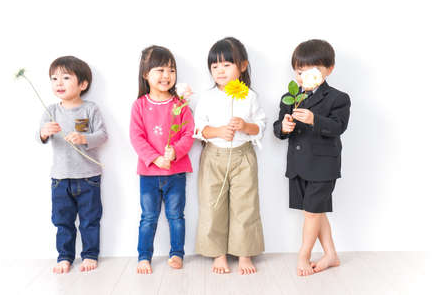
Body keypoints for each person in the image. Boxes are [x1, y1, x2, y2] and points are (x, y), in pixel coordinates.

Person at [273, 39, 351, 276]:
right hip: (298, 165)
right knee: (315, 211)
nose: (303, 75)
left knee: (312, 212)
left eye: (311, 71)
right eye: (299, 71)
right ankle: (331, 255)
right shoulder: (290, 96)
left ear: (330, 69)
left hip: (323, 166)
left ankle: (303, 255)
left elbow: (338, 126)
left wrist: (314, 120)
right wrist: (284, 127)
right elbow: (278, 129)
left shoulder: (338, 98)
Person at [194, 37, 266, 275]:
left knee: (245, 206)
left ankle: (244, 254)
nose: (220, 70)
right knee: (212, 205)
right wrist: (218, 131)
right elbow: (199, 128)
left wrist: (245, 126)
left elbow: (260, 126)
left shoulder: (250, 96)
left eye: (226, 65)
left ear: (242, 66)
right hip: (214, 156)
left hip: (243, 157)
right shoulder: (207, 97)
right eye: (215, 67)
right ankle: (218, 254)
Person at [39, 56, 107, 274]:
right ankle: (65, 256)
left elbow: (102, 135)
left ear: (83, 84)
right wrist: (44, 132)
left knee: (89, 220)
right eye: (54, 78)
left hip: (88, 176)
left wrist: (84, 138)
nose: (59, 83)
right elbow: (41, 135)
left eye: (66, 77)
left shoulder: (90, 109)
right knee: (62, 221)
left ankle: (89, 255)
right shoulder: (51, 110)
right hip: (60, 177)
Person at [130, 45, 194, 274]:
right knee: (148, 217)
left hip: (175, 174)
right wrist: (155, 158)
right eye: (160, 70)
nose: (167, 76)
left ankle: (177, 254)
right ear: (146, 74)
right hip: (148, 174)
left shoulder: (181, 105)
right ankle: (144, 256)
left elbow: (189, 133)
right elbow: (136, 138)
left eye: (171, 70)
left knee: (176, 215)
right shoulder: (140, 105)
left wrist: (175, 152)